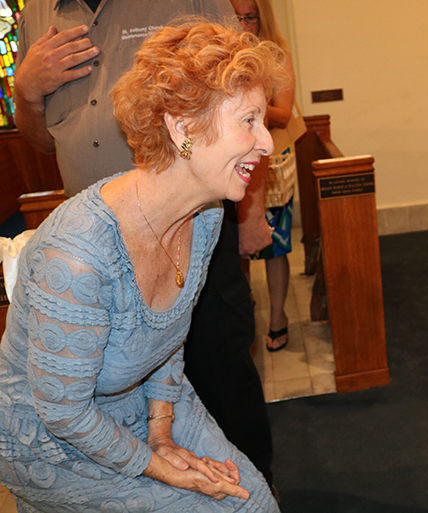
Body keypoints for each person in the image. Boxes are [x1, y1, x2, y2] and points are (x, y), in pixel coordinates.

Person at [0, 21, 288, 511]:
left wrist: (162, 431)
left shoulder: (207, 214)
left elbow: (168, 334)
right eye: (248, 120)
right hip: (51, 443)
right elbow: (64, 413)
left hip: (139, 399)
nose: (266, 142)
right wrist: (167, 471)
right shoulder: (77, 256)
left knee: (253, 500)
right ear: (182, 128)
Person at [232, 0, 297, 352]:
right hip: (231, 164)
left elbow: (284, 115)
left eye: (250, 17)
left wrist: (248, 102)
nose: (243, 24)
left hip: (271, 164)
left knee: (274, 246)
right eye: (236, 16)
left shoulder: (277, 57)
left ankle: (277, 318)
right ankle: (245, 312)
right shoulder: (221, 56)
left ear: (262, 19)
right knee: (235, 248)